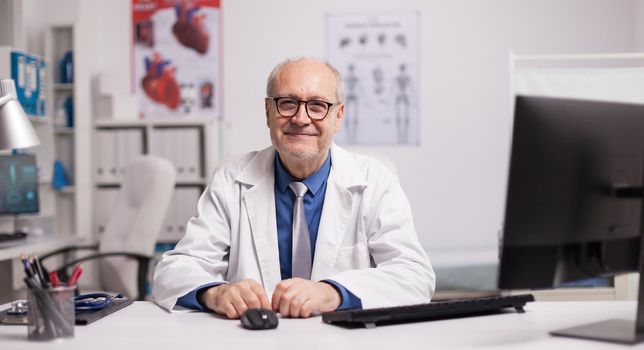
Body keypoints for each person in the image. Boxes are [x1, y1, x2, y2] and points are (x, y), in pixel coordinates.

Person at [153, 57, 435, 319]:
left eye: (317, 105)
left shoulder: (375, 180)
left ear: (338, 116)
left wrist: (332, 292)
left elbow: (414, 276)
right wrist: (215, 292)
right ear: (268, 111)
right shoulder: (231, 180)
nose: (301, 118)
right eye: (287, 103)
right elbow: (173, 271)